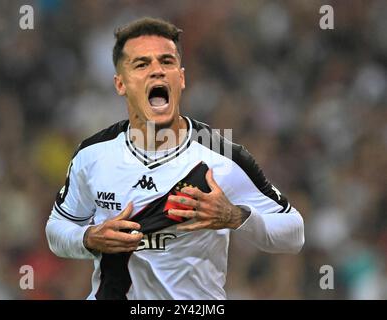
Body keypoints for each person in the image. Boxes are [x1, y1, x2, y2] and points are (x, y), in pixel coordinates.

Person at [45, 17, 305, 300]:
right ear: (121, 83)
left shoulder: (223, 158)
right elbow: (57, 229)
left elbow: (294, 234)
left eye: (166, 62)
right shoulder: (93, 154)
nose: (157, 71)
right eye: (142, 64)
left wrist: (234, 216)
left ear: (180, 78)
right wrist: (88, 238)